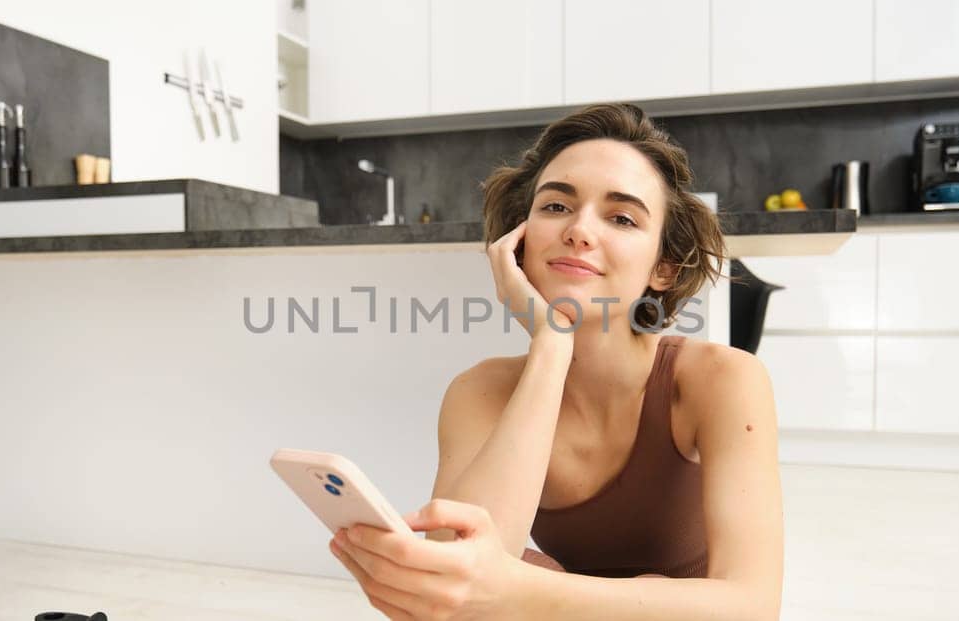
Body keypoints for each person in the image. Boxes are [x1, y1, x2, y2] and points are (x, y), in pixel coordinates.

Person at [330, 103, 783, 620]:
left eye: (621, 217)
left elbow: (753, 606)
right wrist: (551, 343)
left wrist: (521, 588)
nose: (579, 231)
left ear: (663, 266)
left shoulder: (721, 379)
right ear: (518, 243)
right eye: (554, 207)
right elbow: (457, 584)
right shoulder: (479, 391)